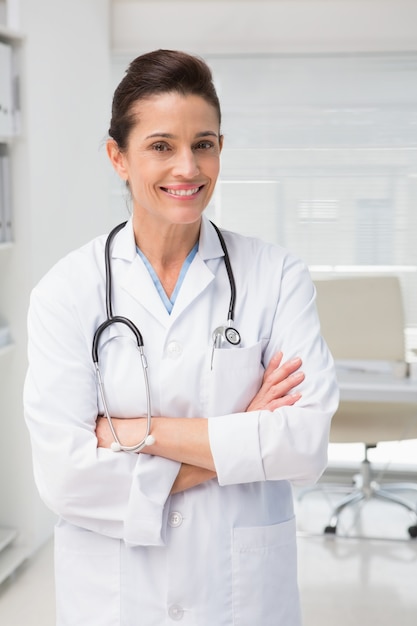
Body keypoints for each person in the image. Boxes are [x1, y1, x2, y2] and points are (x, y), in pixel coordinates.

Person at [24, 49, 339, 626]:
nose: (188, 168)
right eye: (161, 146)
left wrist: (133, 435)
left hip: (241, 596)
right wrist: (243, 439)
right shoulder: (67, 291)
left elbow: (304, 443)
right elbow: (66, 478)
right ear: (118, 157)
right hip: (114, 597)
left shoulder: (275, 275)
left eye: (204, 144)